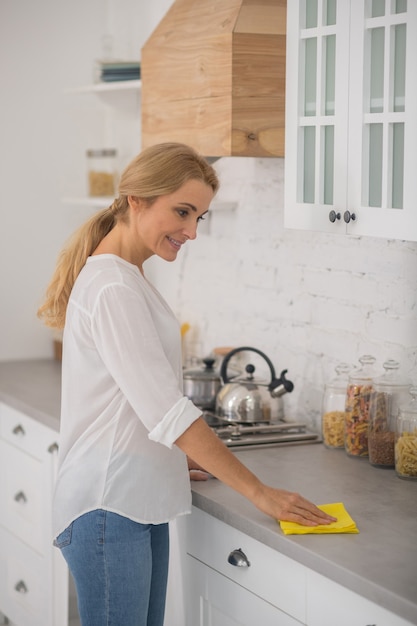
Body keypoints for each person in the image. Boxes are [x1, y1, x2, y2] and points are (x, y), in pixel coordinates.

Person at [37, 142, 335, 626]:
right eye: (182, 211)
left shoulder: (126, 275)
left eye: (200, 217)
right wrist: (260, 493)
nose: (192, 231)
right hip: (108, 508)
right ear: (136, 200)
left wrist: (171, 458)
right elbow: (168, 411)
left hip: (130, 499)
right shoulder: (113, 286)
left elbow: (132, 404)